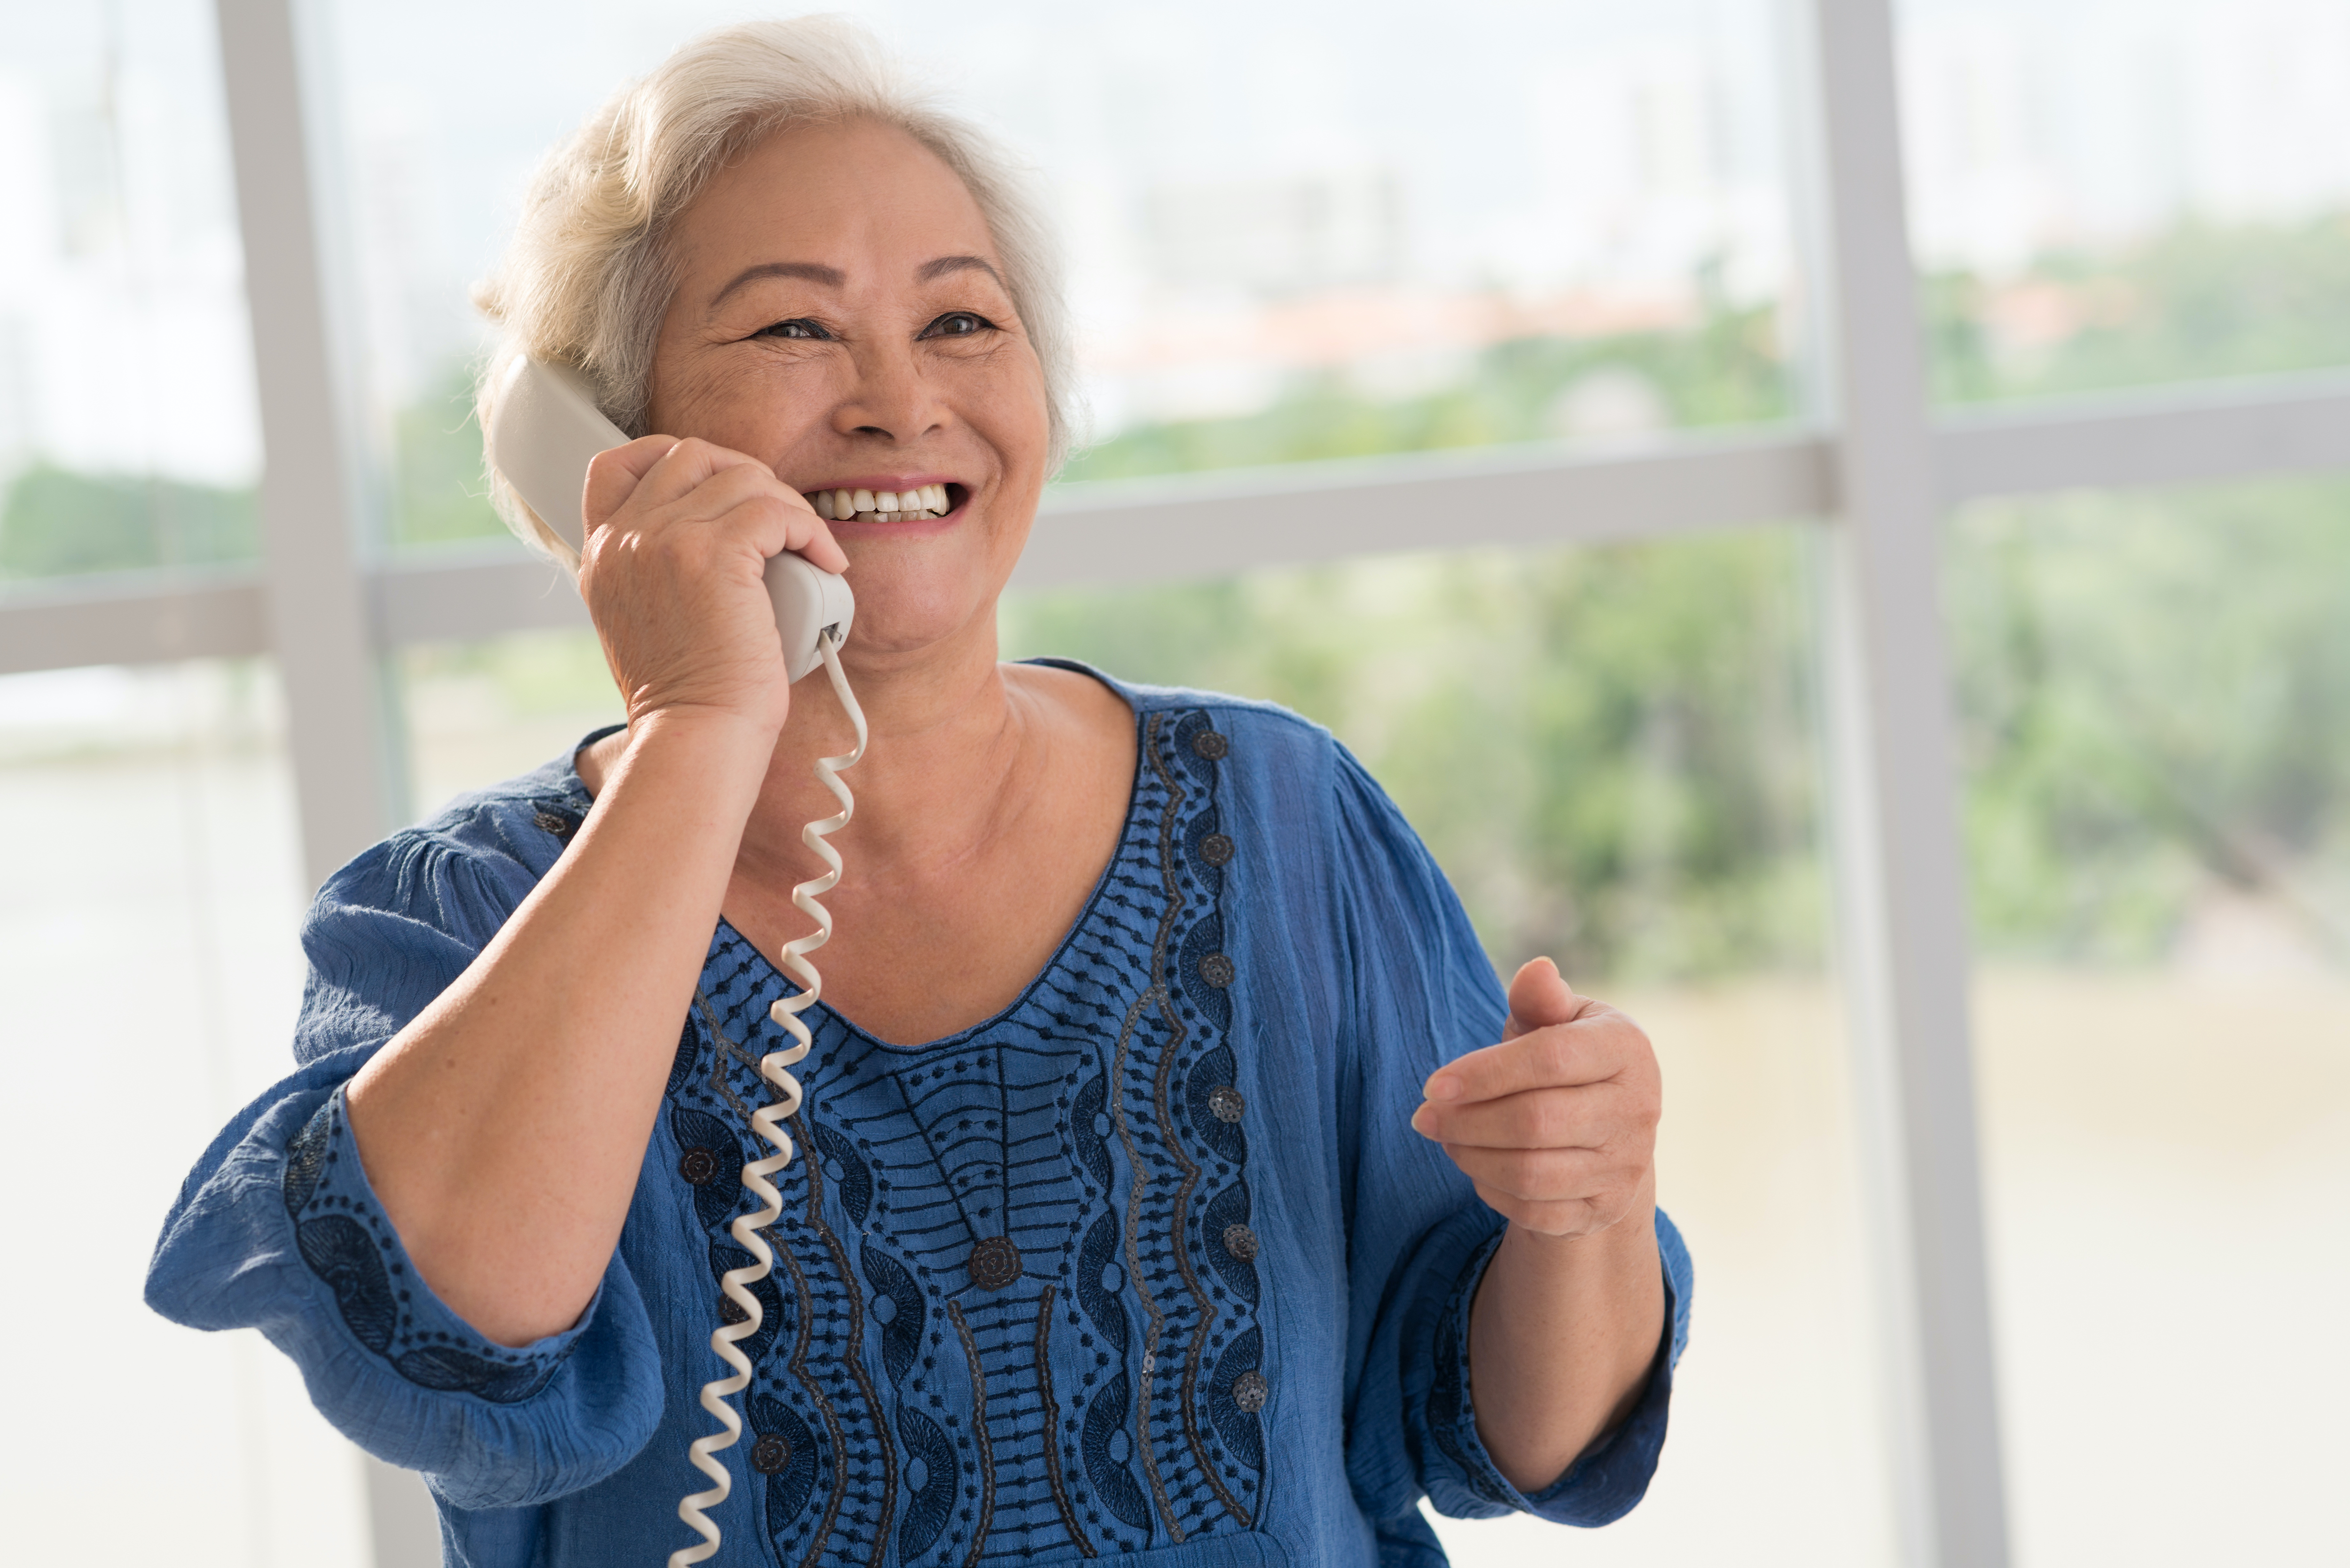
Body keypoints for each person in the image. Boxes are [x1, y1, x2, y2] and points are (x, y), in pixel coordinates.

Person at [148, 18, 1691, 1566]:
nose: (900, 401)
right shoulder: (449, 919)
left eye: (962, 322)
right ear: (607, 449)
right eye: (791, 333)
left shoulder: (1284, 813)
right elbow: (452, 1338)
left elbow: (1522, 1434)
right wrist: (701, 717)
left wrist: (1589, 1211)